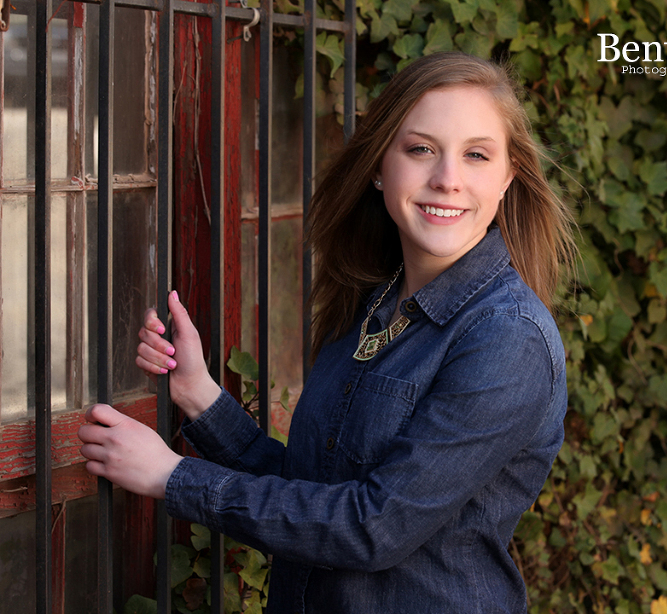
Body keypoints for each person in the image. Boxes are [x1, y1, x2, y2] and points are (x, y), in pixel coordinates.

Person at [79, 52, 576, 613]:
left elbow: (372, 527)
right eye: (421, 149)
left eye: (477, 155)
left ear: (509, 177)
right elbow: (313, 493)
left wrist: (173, 477)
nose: (447, 180)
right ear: (378, 165)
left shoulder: (507, 339)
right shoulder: (373, 306)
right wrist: (202, 397)